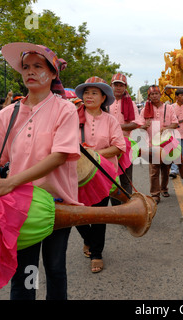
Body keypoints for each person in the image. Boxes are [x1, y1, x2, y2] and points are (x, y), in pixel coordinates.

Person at [0, 42, 81, 300]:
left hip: (58, 201)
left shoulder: (65, 109)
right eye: (26, 67)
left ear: (52, 73)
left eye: (38, 66)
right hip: (19, 205)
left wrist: (10, 183)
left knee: (55, 268)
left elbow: (59, 156)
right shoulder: (8, 114)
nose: (30, 72)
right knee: (25, 272)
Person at [75, 76, 126, 273]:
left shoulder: (111, 120)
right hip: (77, 173)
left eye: (94, 93)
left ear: (103, 97)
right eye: (86, 92)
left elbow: (119, 146)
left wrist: (94, 155)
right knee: (77, 212)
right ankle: (88, 239)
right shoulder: (73, 118)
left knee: (98, 214)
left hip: (104, 174)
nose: (89, 96)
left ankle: (96, 254)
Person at [137, 85, 178, 204]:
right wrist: (144, 126)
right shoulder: (145, 109)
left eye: (156, 94)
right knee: (154, 170)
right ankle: (155, 194)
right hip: (152, 144)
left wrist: (166, 128)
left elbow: (175, 123)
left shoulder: (169, 108)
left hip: (167, 144)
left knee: (166, 169)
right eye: (151, 94)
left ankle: (164, 188)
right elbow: (140, 125)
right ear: (149, 96)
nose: (154, 96)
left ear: (160, 95)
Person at [108, 73, 140, 200]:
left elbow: (135, 123)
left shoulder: (130, 103)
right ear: (111, 86)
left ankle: (128, 206)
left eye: (121, 85)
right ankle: (116, 209)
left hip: (126, 145)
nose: (118, 88)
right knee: (111, 178)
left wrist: (117, 127)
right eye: (116, 85)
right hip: (107, 146)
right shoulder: (105, 101)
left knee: (126, 179)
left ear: (125, 87)